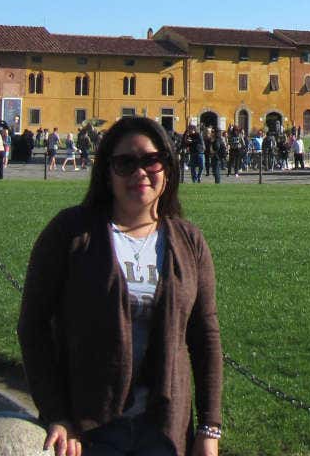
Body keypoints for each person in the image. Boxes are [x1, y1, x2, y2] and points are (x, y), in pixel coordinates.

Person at [18, 116, 223, 456]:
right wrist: (56, 414)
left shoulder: (188, 241)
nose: (139, 173)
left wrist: (209, 428)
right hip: (90, 431)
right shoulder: (71, 232)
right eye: (125, 163)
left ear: (167, 167)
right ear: (107, 173)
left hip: (164, 429)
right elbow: (33, 327)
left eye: (151, 160)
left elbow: (205, 336)